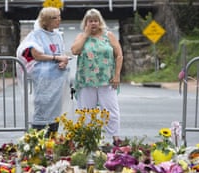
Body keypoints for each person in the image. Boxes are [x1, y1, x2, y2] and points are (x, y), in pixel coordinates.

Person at [71, 8, 123, 146]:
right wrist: (86, 34)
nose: (93, 23)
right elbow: (75, 51)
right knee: (86, 111)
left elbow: (119, 55)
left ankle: (115, 137)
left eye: (96, 21)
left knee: (111, 110)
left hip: (107, 80)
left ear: (100, 22)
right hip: (86, 81)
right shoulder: (81, 37)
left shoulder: (108, 35)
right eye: (90, 21)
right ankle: (88, 139)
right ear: (86, 23)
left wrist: (117, 75)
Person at [16, 7, 70, 137]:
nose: (59, 19)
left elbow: (61, 53)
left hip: (58, 78)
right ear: (46, 20)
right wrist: (57, 58)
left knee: (56, 110)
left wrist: (64, 61)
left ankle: (52, 139)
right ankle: (37, 140)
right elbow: (37, 55)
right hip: (43, 78)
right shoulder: (36, 35)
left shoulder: (57, 35)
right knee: (43, 107)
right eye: (55, 17)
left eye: (59, 16)